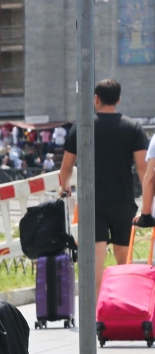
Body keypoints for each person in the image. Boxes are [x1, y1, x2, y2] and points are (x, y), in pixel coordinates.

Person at [59, 78, 149, 289]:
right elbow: (143, 169)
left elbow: (66, 167)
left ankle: (96, 314)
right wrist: (147, 205)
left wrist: (64, 187)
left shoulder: (82, 127)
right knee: (123, 260)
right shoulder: (133, 127)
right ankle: (122, 307)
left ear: (95, 99)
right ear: (118, 99)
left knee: (95, 259)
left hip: (92, 203)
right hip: (123, 202)